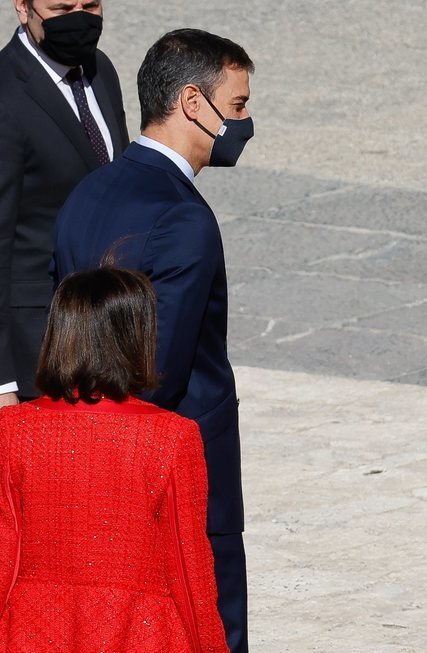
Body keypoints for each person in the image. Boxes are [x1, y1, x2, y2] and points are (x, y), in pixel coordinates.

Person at [52, 28, 253, 652]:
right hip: (177, 472)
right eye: (239, 105)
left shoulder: (86, 194)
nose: (245, 123)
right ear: (194, 103)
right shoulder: (184, 216)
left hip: (79, 458)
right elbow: (157, 370)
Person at [0, 267, 228, 652]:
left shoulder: (13, 430)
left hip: (32, 629)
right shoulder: (172, 437)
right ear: (136, 338)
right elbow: (190, 569)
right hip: (143, 634)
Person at [0, 0, 127, 404]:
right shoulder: (5, 93)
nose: (79, 18)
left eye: (90, 5)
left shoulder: (99, 70)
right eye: (61, 8)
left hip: (106, 332)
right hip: (37, 345)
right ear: (23, 7)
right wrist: (3, 383)